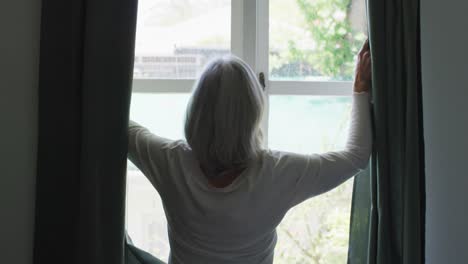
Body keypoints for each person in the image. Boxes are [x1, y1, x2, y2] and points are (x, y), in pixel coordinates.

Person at [128, 40, 372, 264]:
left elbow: (117, 124)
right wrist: (360, 89)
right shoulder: (276, 174)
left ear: (196, 110)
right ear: (253, 114)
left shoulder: (169, 162)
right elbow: (356, 156)